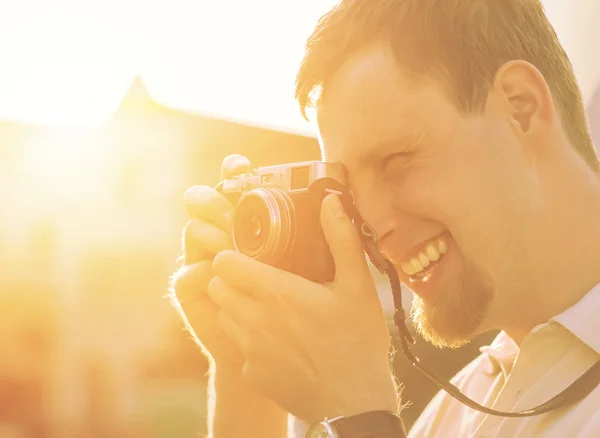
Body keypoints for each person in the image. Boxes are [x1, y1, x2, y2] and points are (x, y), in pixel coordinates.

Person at [169, 0, 600, 436]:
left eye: (396, 161)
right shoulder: (463, 411)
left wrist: (360, 412)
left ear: (521, 107)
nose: (369, 226)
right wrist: (245, 376)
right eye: (349, 189)